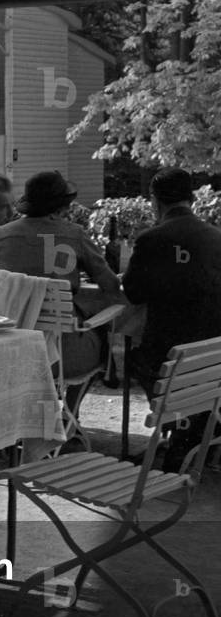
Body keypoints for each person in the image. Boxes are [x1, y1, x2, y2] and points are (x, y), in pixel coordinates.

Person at [0, 170, 121, 382]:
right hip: (65, 355)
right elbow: (110, 285)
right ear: (63, 205)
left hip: (12, 348)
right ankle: (71, 413)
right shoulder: (75, 234)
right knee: (99, 335)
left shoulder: (3, 234)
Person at [122, 168, 221, 470]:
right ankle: (190, 428)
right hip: (213, 353)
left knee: (130, 360)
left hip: (165, 353)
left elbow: (134, 292)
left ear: (154, 201)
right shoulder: (217, 237)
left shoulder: (151, 239)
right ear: (191, 199)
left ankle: (180, 429)